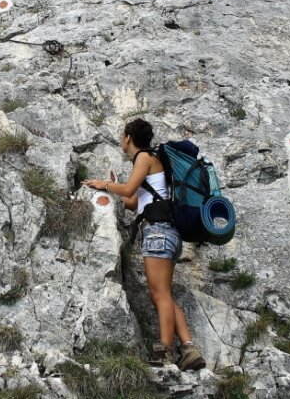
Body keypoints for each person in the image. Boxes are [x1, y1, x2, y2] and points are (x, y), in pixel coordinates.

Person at [84, 118, 206, 370]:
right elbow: (133, 201)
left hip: (158, 232)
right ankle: (189, 349)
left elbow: (128, 190)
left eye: (122, 135)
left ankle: (165, 352)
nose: (121, 140)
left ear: (128, 137)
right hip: (170, 235)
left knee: (158, 294)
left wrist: (104, 185)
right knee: (165, 294)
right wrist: (114, 189)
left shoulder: (144, 158)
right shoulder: (152, 163)